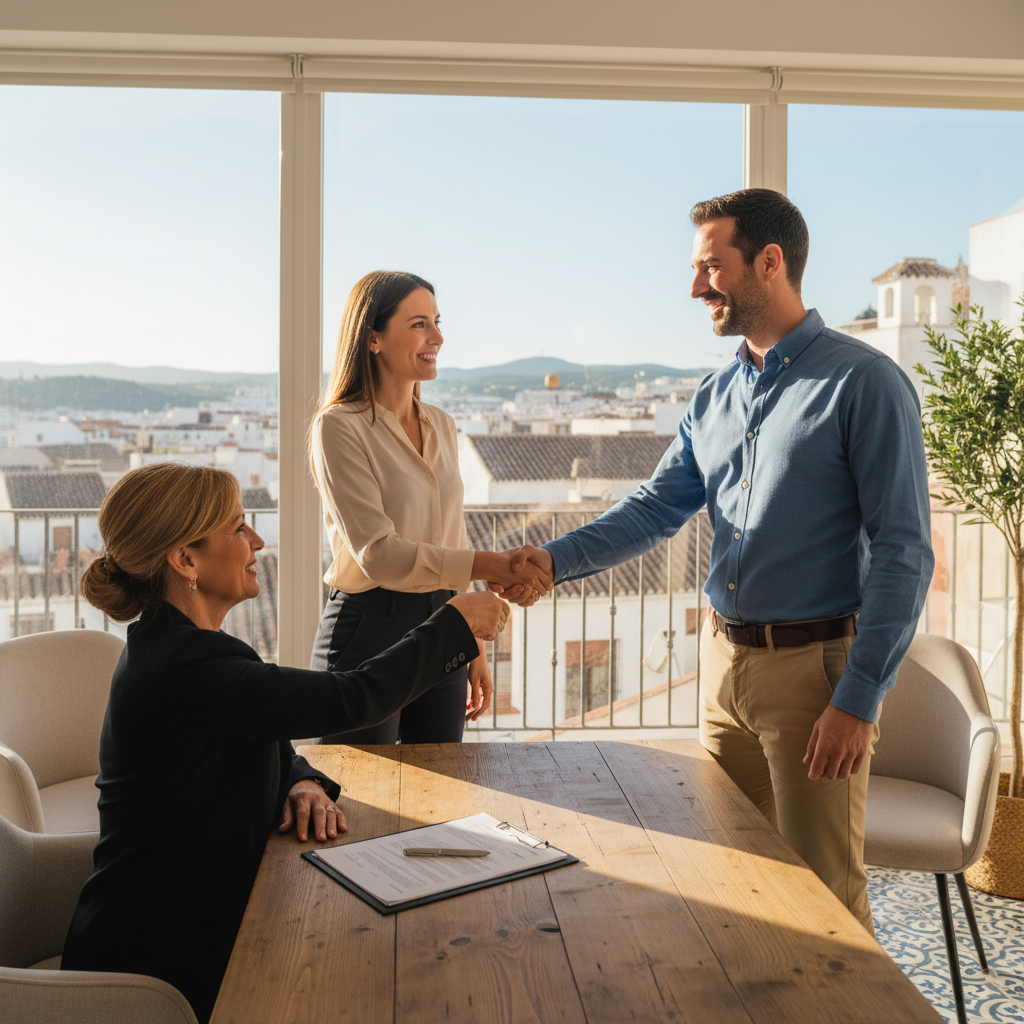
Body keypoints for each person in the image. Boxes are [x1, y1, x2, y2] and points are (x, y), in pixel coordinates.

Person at [505, 189, 934, 933]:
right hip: (722, 670)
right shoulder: (714, 396)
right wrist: (550, 560)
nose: (695, 287)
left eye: (711, 266)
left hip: (814, 678)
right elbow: (654, 508)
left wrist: (860, 697)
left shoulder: (864, 384)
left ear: (769, 263)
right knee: (734, 874)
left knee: (824, 897)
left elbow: (905, 551)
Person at [61, 462, 509, 1023]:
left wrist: (298, 780)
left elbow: (262, 735)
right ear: (185, 560)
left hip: (195, 927)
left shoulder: (183, 651)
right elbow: (354, 698)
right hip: (158, 970)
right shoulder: (186, 668)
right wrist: (455, 624)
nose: (257, 541)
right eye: (237, 528)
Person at [308, 270, 550, 745]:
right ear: (372, 337)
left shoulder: (441, 424)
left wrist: (471, 640)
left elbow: (450, 537)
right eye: (420, 324)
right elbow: (378, 553)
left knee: (443, 787)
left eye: (437, 322)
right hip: (370, 626)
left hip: (444, 617)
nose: (438, 336)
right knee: (359, 795)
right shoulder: (339, 427)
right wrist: (492, 565)